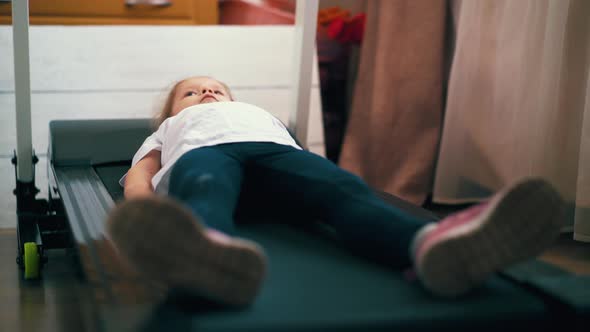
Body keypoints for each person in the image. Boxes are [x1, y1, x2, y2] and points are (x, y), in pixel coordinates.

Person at [106, 76, 564, 307]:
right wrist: (147, 216)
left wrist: (316, 174)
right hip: (207, 159)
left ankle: (431, 246)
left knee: (345, 192)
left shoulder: (262, 117)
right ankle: (207, 254)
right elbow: (142, 175)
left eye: (216, 89)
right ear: (171, 111)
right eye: (190, 93)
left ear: (232, 99)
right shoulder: (173, 127)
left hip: (273, 157)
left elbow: (303, 165)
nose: (205, 92)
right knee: (205, 190)